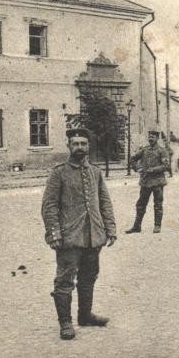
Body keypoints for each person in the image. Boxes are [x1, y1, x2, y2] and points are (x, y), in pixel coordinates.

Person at [41, 128, 116, 340]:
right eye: (75, 144)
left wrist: (110, 229)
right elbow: (49, 206)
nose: (80, 147)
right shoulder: (59, 173)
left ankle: (85, 315)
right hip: (69, 237)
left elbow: (105, 202)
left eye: (83, 143)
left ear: (88, 146)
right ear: (69, 146)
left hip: (93, 235)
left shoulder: (95, 172)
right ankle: (65, 323)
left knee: (89, 277)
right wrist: (54, 234)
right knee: (64, 281)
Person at [126, 129, 170, 234]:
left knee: (158, 204)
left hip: (158, 182)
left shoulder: (162, 151)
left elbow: (166, 165)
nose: (150, 139)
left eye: (153, 137)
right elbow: (132, 159)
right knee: (141, 204)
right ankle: (137, 226)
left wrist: (154, 169)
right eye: (149, 137)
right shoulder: (144, 150)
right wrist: (137, 168)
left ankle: (157, 226)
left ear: (157, 138)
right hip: (145, 181)